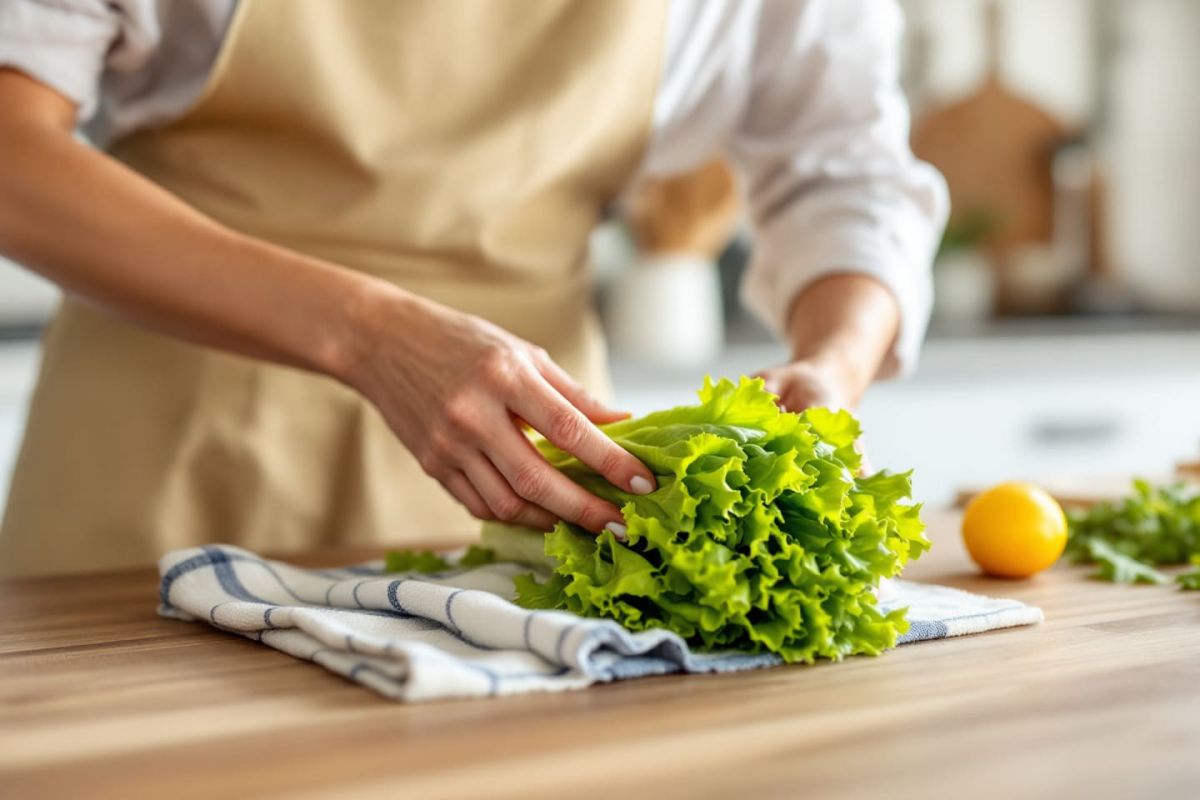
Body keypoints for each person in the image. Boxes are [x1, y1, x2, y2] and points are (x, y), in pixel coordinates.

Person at [0, 0, 947, 577]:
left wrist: (835, 363)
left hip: (522, 471)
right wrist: (369, 332)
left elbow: (848, 177)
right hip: (164, 451)